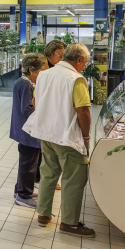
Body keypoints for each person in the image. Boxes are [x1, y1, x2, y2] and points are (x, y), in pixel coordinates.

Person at [22, 42, 95, 237]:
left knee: (48, 173)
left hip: (47, 134)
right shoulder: (76, 79)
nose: (85, 66)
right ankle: (70, 223)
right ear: (79, 60)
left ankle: (43, 214)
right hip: (67, 137)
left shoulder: (44, 75)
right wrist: (86, 136)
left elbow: (35, 102)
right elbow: (83, 111)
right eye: (85, 62)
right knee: (74, 178)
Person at [11, 53, 47, 207]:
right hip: (28, 132)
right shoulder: (26, 85)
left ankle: (22, 189)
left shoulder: (22, 82)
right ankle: (23, 195)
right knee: (29, 164)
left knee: (27, 162)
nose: (41, 75)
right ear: (31, 70)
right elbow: (27, 109)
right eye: (40, 71)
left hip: (24, 131)